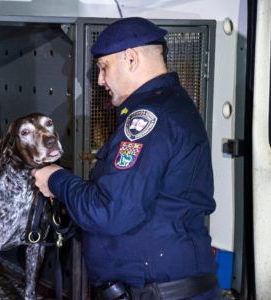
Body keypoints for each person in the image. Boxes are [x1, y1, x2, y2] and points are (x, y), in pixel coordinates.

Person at [31, 17, 222, 300]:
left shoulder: (150, 119)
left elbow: (110, 211)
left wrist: (56, 178)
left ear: (131, 59)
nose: (100, 80)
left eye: (103, 68)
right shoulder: (166, 106)